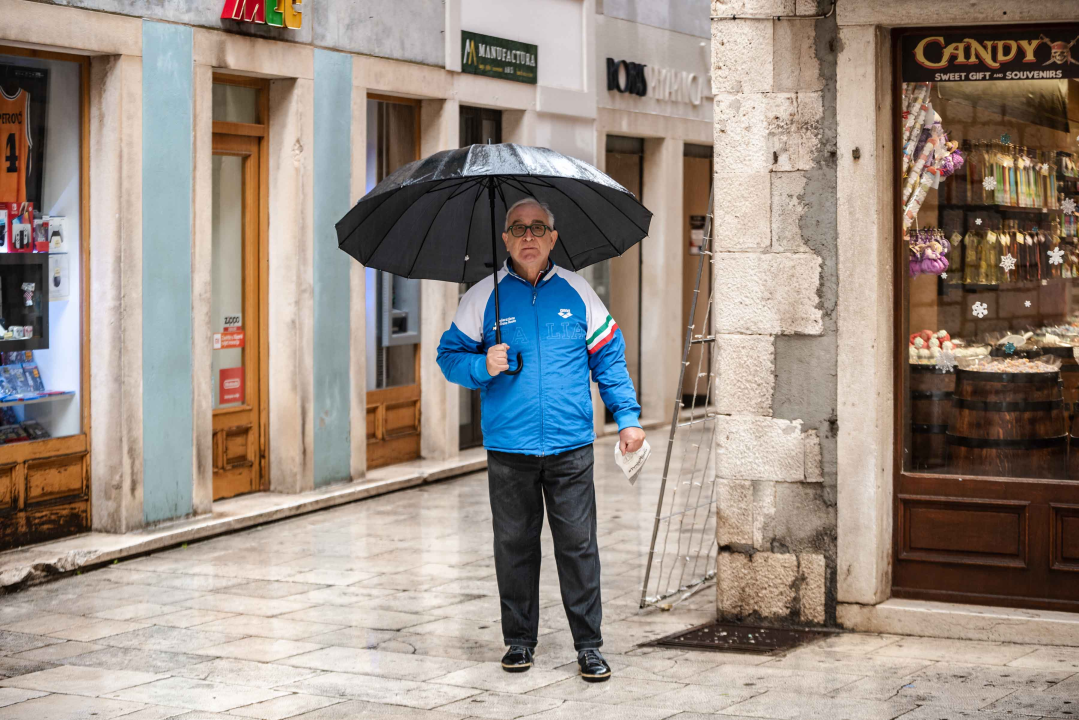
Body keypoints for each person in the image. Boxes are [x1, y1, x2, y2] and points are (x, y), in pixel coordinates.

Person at [437, 197, 645, 683]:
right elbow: (449, 356)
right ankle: (518, 641)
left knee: (578, 547)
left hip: (571, 446)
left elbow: (609, 358)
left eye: (538, 228)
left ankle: (589, 646)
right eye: (517, 229)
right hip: (509, 450)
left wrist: (628, 417)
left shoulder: (579, 293)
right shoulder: (481, 298)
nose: (528, 237)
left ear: (553, 237)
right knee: (514, 546)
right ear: (505, 239)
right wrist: (480, 365)